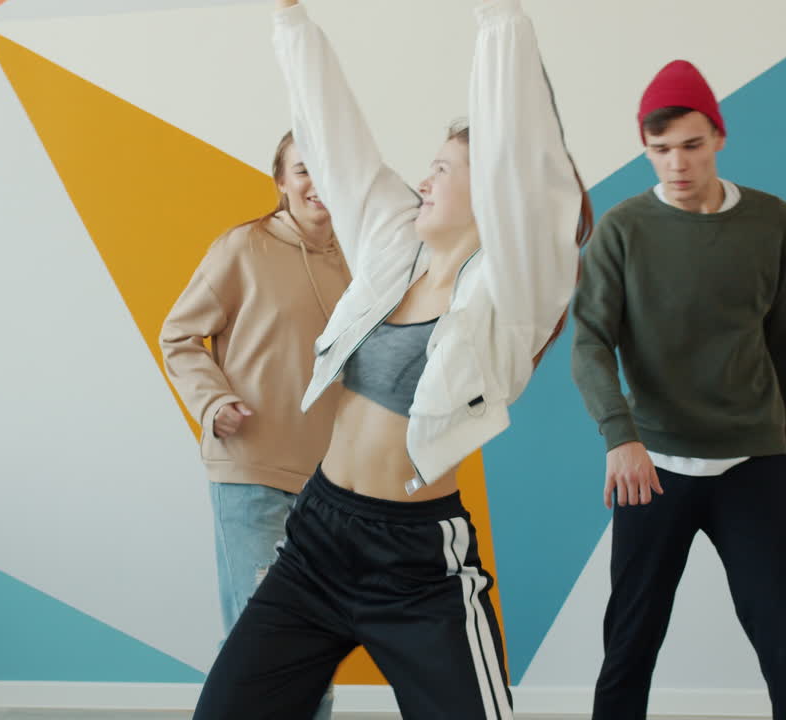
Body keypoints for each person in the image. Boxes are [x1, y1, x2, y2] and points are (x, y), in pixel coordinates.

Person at [192, 1, 590, 717]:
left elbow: (521, 143)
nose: (424, 181)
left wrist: (497, 15)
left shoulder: (511, 290)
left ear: (493, 191)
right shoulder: (395, 248)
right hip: (317, 535)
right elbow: (334, 138)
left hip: (415, 563)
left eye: (441, 169)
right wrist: (290, 17)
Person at [570, 59, 786, 720]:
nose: (677, 164)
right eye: (660, 149)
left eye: (691, 145)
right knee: (628, 651)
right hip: (652, 468)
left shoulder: (772, 221)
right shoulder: (622, 229)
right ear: (645, 148)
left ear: (719, 136)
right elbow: (589, 342)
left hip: (754, 462)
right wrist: (620, 436)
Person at [160, 130, 349, 719]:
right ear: (280, 181)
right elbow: (179, 336)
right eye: (302, 169)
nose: (316, 182)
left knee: (315, 647)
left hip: (334, 484)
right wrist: (212, 401)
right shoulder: (243, 248)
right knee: (262, 644)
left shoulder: (365, 257)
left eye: (326, 167)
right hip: (252, 472)